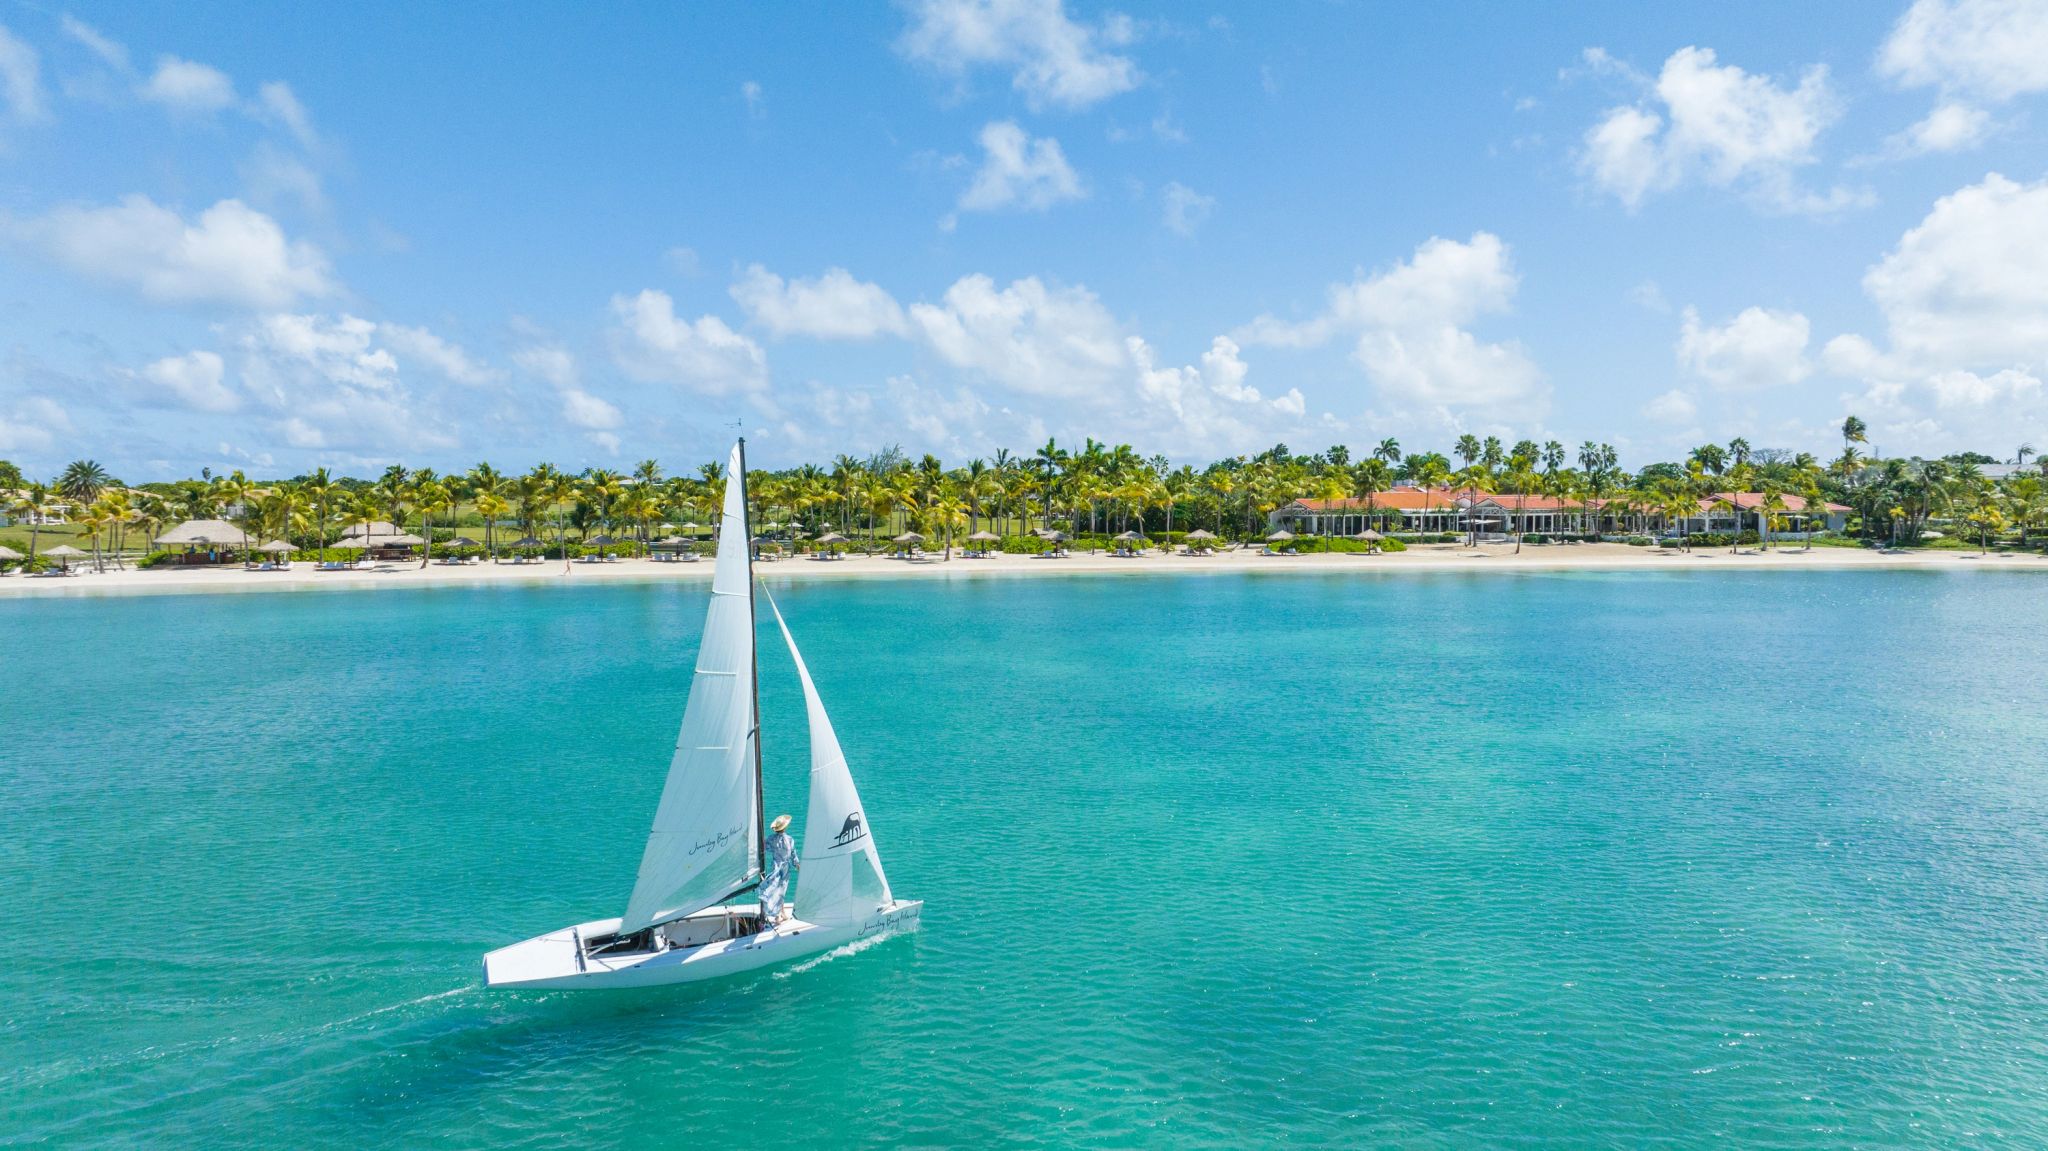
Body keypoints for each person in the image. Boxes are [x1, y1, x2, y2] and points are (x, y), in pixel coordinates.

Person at [760, 814, 799, 927]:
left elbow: (763, 846)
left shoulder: (771, 839)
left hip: (776, 866)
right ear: (785, 827)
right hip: (785, 868)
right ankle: (778, 916)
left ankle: (782, 913)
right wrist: (797, 864)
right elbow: (793, 854)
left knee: (778, 890)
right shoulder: (790, 839)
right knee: (781, 890)